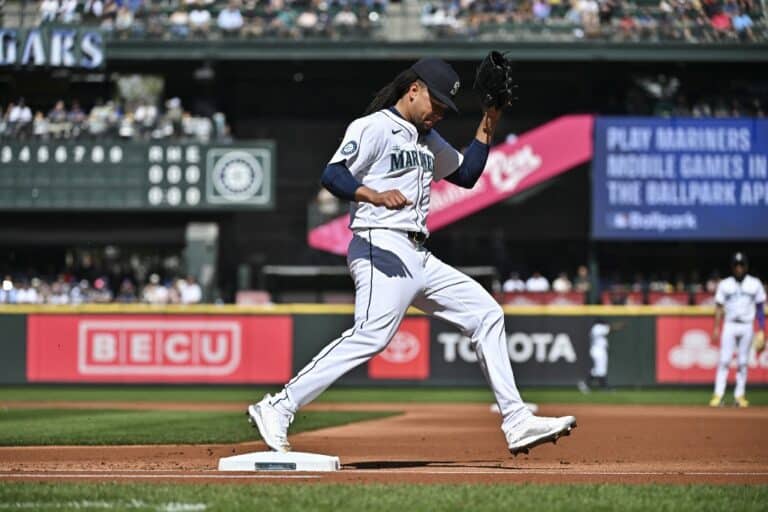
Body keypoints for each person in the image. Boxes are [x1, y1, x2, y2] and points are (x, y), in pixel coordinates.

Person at [247, 57, 576, 456]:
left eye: (445, 108)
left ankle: (516, 420)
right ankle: (278, 407)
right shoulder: (373, 127)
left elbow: (468, 173)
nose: (439, 113)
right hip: (379, 242)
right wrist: (372, 194)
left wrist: (490, 117)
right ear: (414, 89)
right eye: (435, 103)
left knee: (487, 314)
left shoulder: (427, 139)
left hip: (419, 254)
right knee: (372, 333)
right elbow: (333, 174)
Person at [710, 252, 766, 408]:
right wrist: (716, 327)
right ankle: (718, 395)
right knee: (724, 360)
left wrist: (762, 329)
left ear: (746, 266)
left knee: (742, 362)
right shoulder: (725, 284)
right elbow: (719, 307)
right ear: (732, 267)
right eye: (736, 265)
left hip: (747, 325)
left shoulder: (754, 283)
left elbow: (760, 308)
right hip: (729, 324)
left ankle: (739, 395)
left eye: (741, 264)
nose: (739, 267)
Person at [578, 318, 623, 392]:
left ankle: (595, 385)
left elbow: (609, 328)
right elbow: (611, 328)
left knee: (598, 370)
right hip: (598, 351)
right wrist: (619, 325)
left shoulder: (596, 328)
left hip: (598, 350)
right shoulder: (597, 327)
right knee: (600, 369)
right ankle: (599, 385)